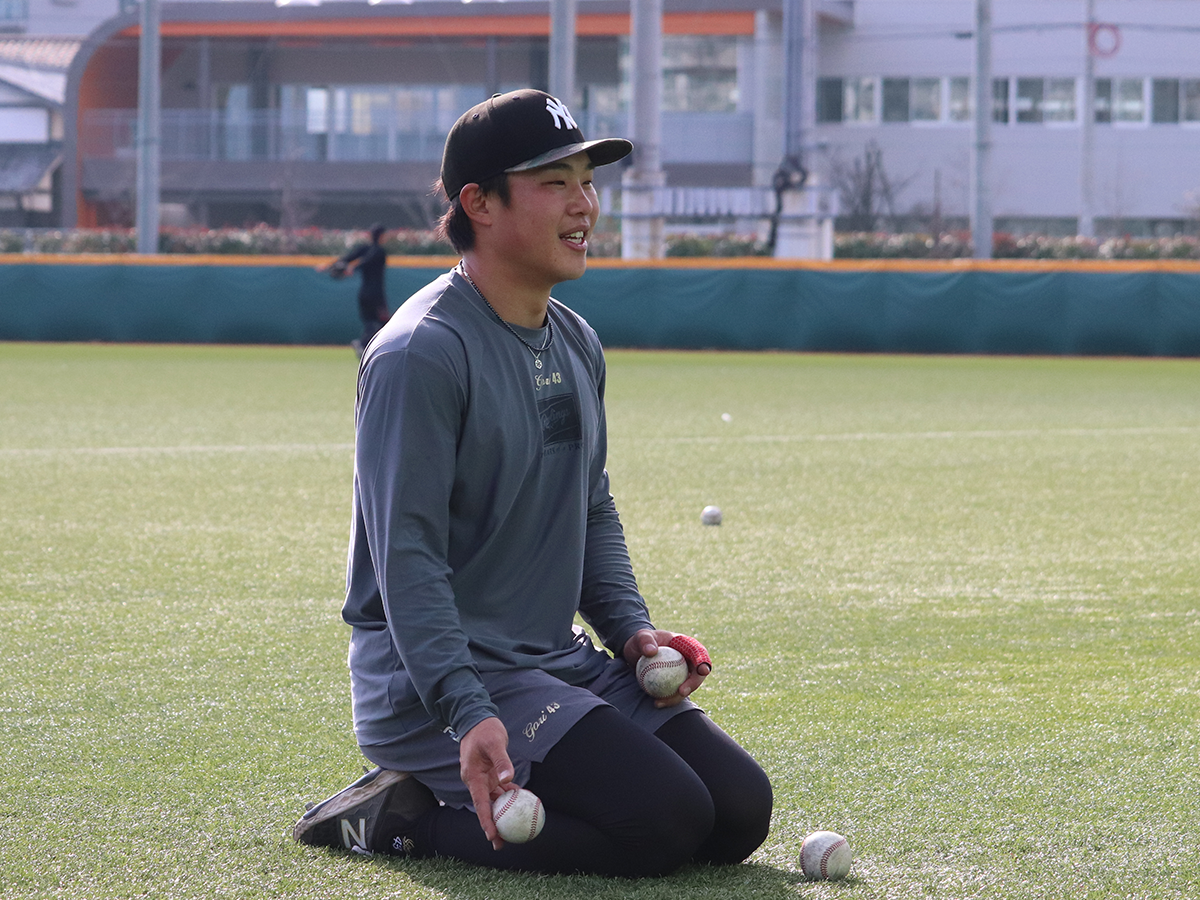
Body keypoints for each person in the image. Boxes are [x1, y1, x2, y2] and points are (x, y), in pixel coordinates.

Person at [292, 89, 772, 877]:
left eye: (587, 180)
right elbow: (406, 559)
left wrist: (631, 632)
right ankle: (399, 817)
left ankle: (554, 782)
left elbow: (590, 508)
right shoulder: (421, 354)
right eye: (555, 182)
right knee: (665, 822)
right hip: (435, 688)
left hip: (552, 664)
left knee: (738, 812)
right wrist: (466, 708)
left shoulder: (576, 340)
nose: (584, 203)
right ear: (478, 203)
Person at [320, 223, 391, 357]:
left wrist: (329, 266)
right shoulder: (379, 251)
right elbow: (366, 260)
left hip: (363, 294)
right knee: (383, 323)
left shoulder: (365, 248)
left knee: (370, 322)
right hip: (376, 295)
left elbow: (349, 258)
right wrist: (350, 268)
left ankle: (365, 346)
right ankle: (363, 344)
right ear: (381, 236)